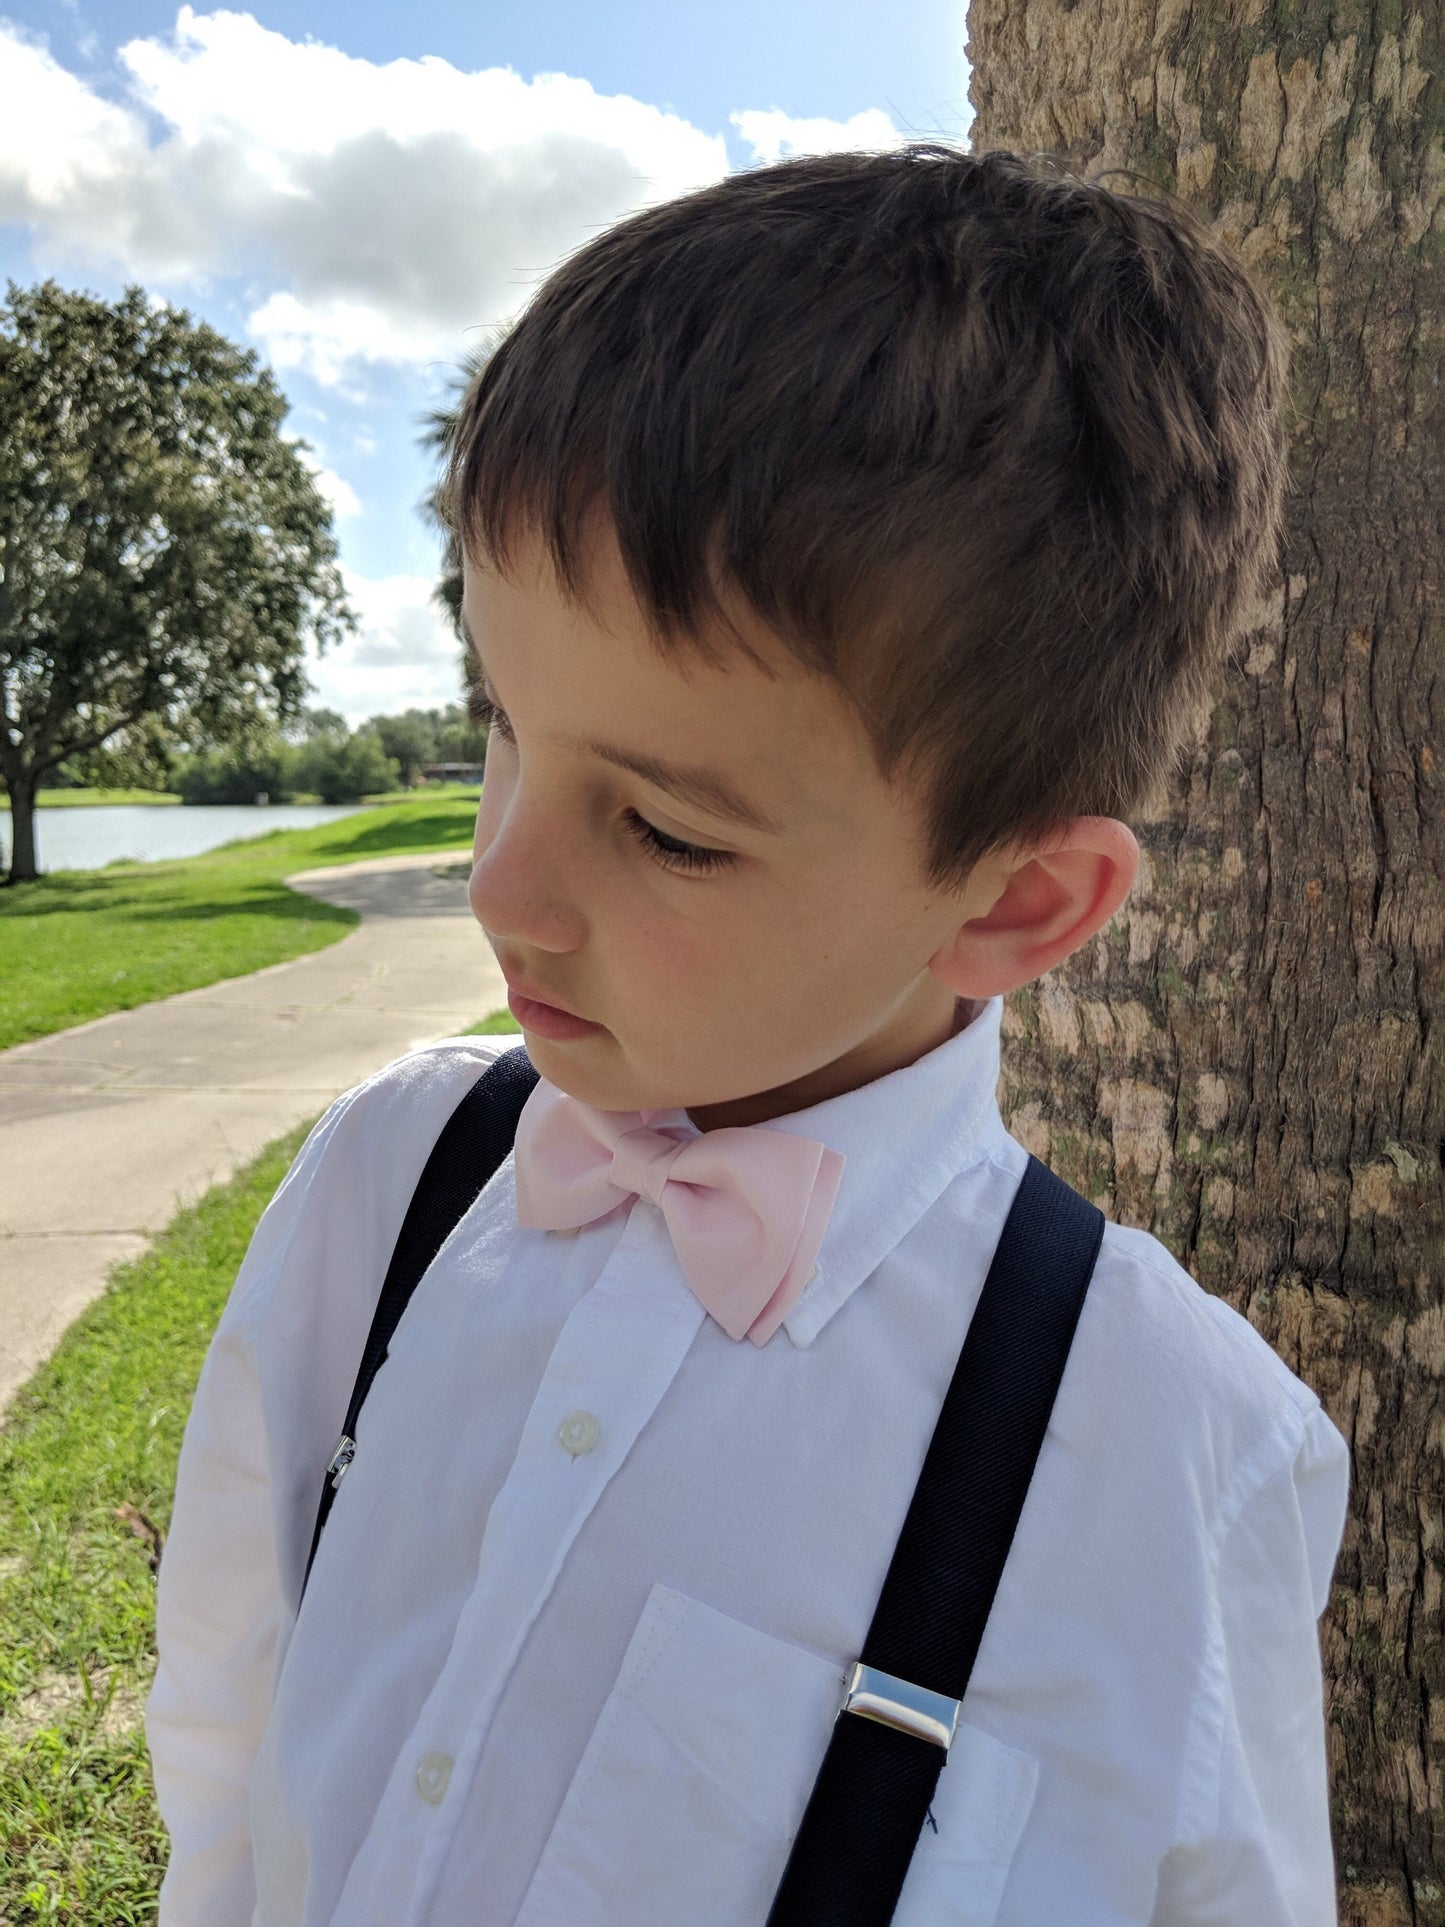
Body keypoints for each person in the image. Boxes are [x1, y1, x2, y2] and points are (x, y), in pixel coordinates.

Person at [145, 144, 1350, 1925]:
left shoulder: (1169, 1449)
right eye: (503, 723)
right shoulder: (385, 1188)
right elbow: (233, 1738)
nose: (502, 889)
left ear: (1012, 904)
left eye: (666, 830)